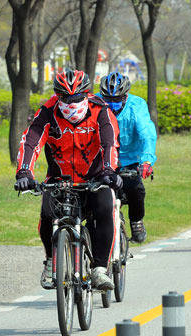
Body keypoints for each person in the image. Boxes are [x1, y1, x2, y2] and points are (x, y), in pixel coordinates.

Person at [15, 68, 122, 291]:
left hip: (95, 177)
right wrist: (25, 172)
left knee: (105, 207)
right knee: (47, 214)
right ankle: (51, 260)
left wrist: (109, 171)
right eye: (65, 98)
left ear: (86, 94)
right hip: (60, 178)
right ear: (57, 96)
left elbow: (109, 143)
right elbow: (31, 142)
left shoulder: (100, 110)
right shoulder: (47, 112)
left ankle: (100, 269)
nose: (71, 103)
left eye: (76, 97)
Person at [97, 72, 157, 243]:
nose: (112, 103)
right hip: (102, 159)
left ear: (126, 96)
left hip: (129, 159)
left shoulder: (137, 106)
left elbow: (147, 135)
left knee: (136, 189)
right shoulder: (94, 103)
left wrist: (147, 160)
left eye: (117, 99)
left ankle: (136, 221)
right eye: (108, 99)